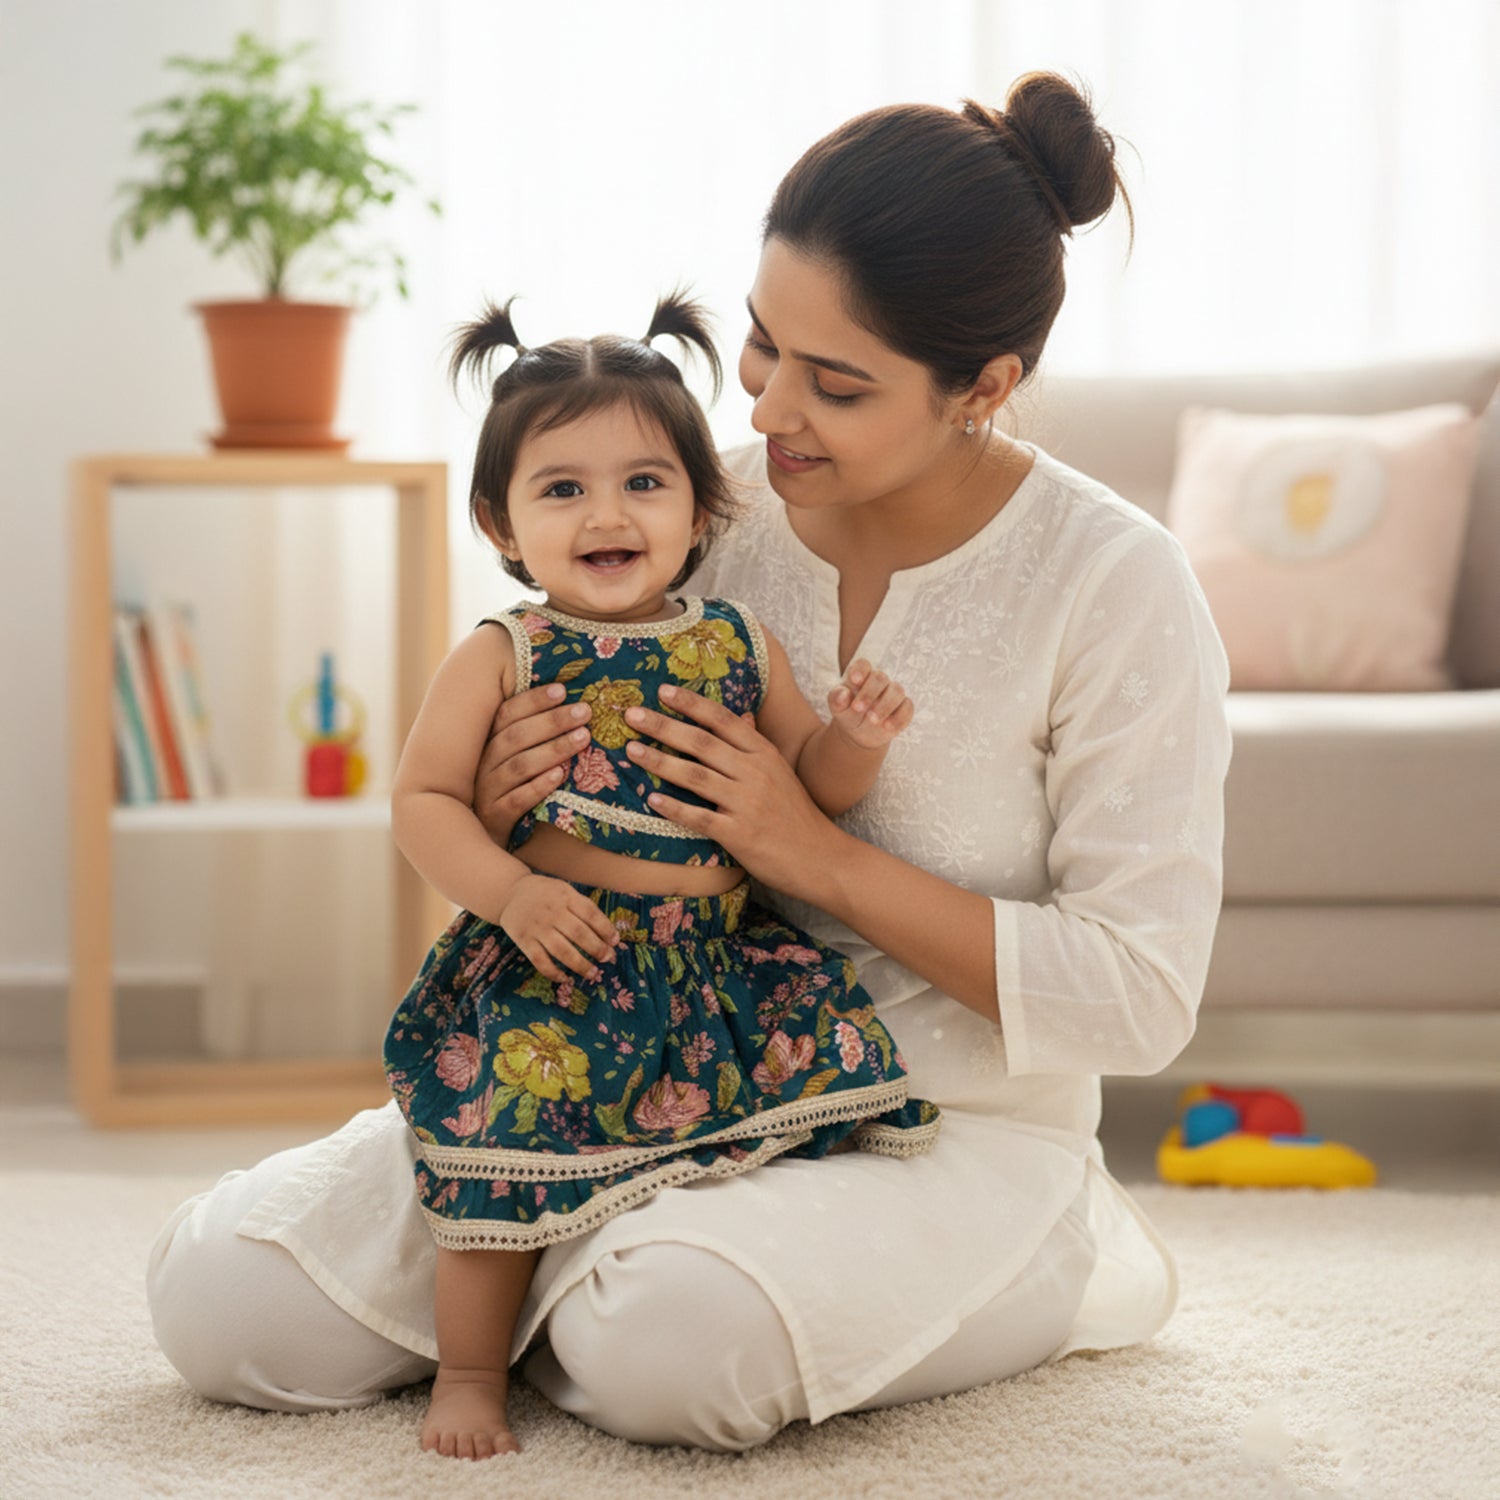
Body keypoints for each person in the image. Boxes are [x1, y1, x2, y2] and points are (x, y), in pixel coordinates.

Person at [146, 71, 1232, 1453]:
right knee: (223, 1304)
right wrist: (498, 811)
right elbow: (512, 745)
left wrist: (812, 849)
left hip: (939, 1125)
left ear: (987, 388)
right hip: (616, 1063)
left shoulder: (1115, 582)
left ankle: (619, 1283)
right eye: (765, 345)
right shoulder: (696, 502)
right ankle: (571, 1257)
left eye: (835, 385)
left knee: (666, 1348)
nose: (770, 408)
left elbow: (1139, 1000)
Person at [383, 291, 936, 1457]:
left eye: (644, 482)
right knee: (501, 1166)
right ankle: (472, 1374)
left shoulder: (738, 643)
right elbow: (422, 801)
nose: (606, 512)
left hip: (710, 968)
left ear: (699, 507)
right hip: (552, 960)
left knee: (771, 1141)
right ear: (498, 520)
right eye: (562, 487)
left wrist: (854, 741)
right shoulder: (504, 651)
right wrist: (510, 891)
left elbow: (808, 793)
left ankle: (683, 1286)